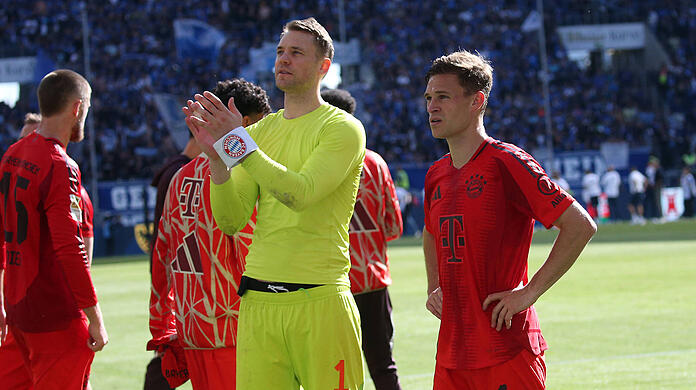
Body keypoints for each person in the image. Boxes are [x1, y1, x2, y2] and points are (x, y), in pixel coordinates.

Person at [183, 18, 365, 389]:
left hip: (320, 299)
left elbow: (300, 193)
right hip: (258, 301)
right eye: (280, 51)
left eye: (296, 53)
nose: (284, 59)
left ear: (323, 67)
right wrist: (217, 161)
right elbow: (231, 220)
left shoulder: (342, 128)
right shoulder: (259, 133)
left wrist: (237, 145)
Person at [422, 51, 596, 389]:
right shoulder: (435, 175)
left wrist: (528, 293)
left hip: (506, 348)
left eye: (443, 96)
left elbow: (580, 225)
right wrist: (433, 286)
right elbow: (431, 233)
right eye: (429, 97)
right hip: (451, 354)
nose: (432, 106)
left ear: (477, 101)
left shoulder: (507, 162)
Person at [148, 78, 270, 389]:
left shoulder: (180, 177)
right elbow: (251, 253)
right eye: (261, 124)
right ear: (241, 122)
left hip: (194, 330)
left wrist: (162, 327)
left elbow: (161, 257)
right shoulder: (239, 172)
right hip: (236, 328)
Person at [0, 69, 108, 389]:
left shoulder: (12, 154)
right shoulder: (61, 165)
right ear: (77, 108)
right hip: (54, 314)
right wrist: (95, 317)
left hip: (18, 310)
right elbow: (70, 249)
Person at [322, 88, 403, 390]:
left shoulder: (315, 163)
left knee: (333, 369)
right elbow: (393, 226)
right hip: (371, 279)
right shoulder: (375, 163)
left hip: (330, 282)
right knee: (383, 367)